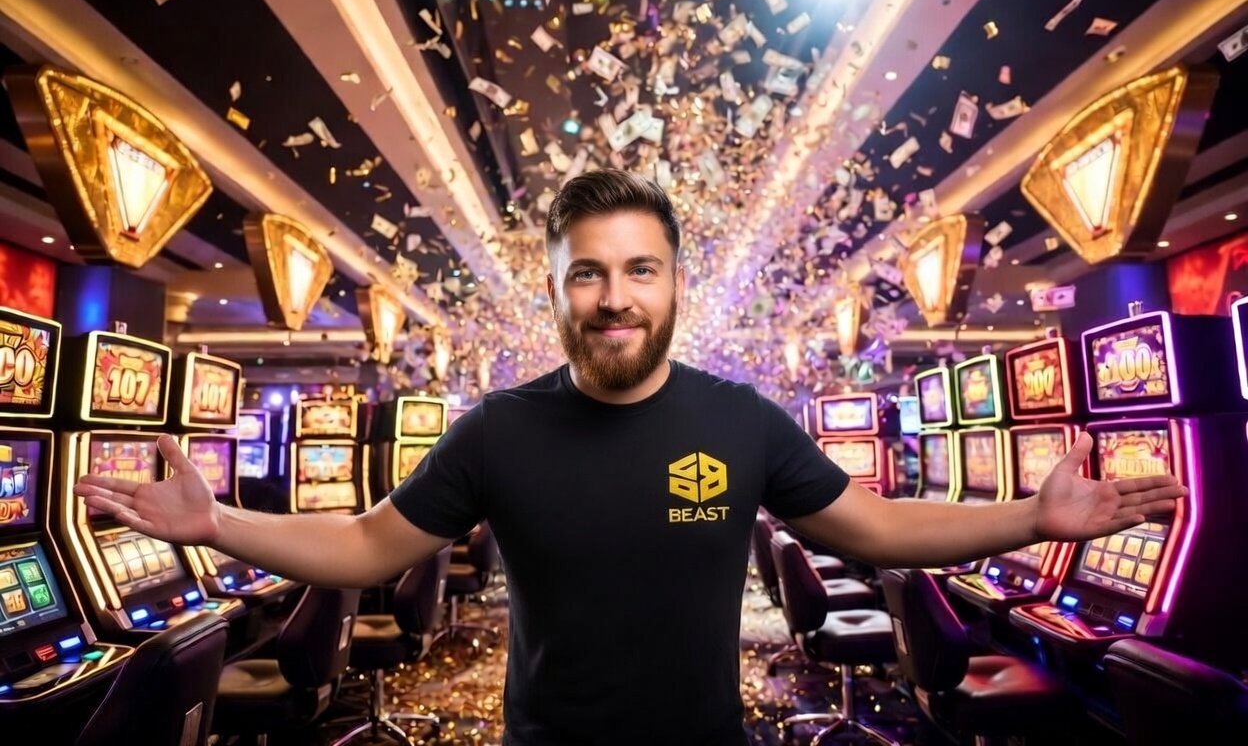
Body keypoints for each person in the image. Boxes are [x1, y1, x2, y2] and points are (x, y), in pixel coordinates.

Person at [76, 169, 1186, 746]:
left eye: (640, 270)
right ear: (558, 290)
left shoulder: (742, 420)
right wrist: (216, 524)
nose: (615, 297)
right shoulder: (496, 428)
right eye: (589, 273)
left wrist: (1034, 520)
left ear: (674, 285)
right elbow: (368, 544)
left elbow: (880, 527)